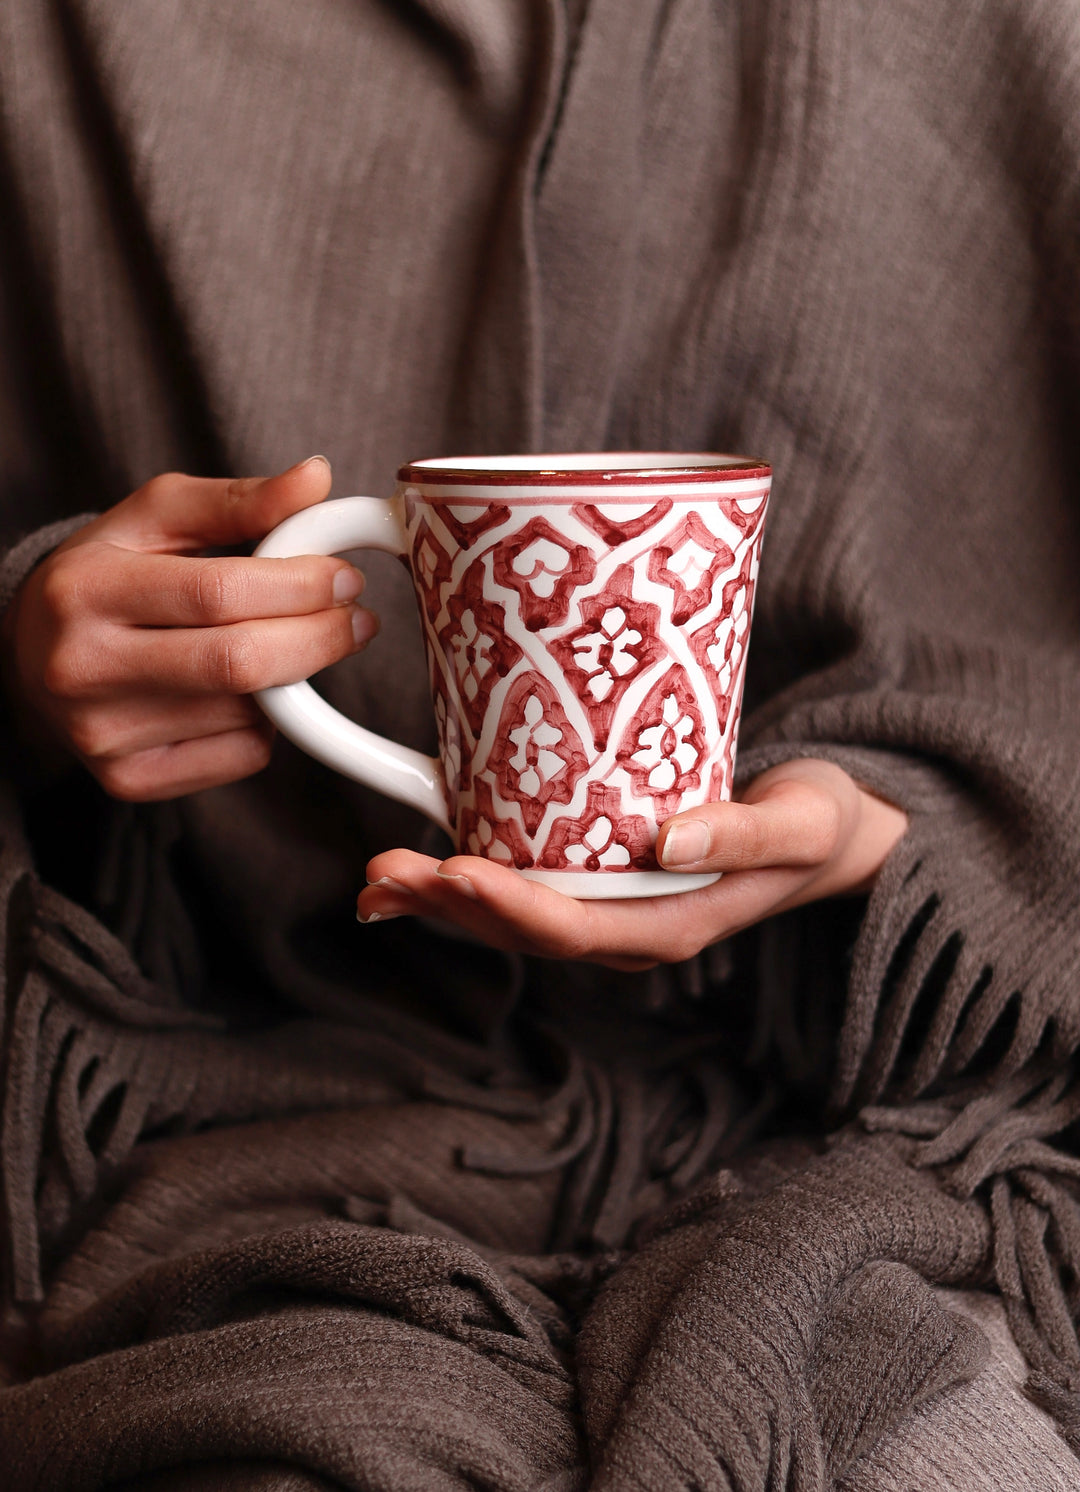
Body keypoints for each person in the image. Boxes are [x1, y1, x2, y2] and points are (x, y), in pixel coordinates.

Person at [1, 1, 1079, 1488]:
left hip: (882, 1130)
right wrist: (34, 647)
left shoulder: (995, 37)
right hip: (266, 1120)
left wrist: (897, 824)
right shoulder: (61, 50)